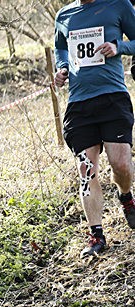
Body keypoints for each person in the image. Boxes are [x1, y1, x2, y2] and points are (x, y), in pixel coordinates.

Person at [54, 0, 135, 259]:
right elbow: (60, 48)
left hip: (113, 98)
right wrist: (62, 68)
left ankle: (126, 197)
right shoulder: (64, 15)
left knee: (121, 165)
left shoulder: (118, 5)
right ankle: (96, 235)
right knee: (86, 169)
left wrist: (118, 46)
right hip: (79, 104)